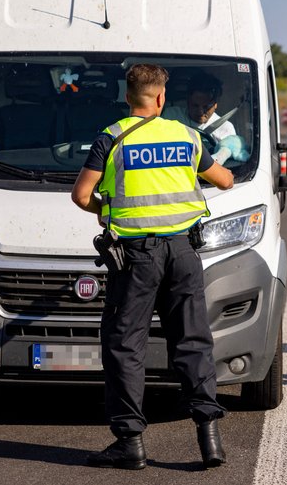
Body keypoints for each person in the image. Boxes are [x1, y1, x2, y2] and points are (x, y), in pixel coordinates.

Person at [71, 64, 233, 470]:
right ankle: (209, 438)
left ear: (128, 99)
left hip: (136, 259)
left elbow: (81, 195)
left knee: (126, 345)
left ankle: (129, 442)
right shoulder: (186, 135)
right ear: (161, 98)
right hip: (183, 254)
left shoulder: (111, 137)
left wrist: (105, 208)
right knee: (193, 341)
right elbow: (226, 181)